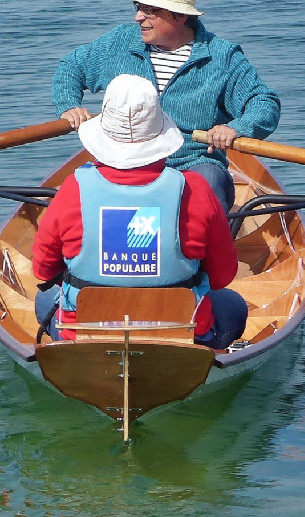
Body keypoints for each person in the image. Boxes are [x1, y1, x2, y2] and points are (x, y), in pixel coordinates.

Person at [33, 74, 248, 349]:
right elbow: (222, 276)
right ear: (161, 136)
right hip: (183, 334)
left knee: (43, 298)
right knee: (233, 306)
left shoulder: (73, 188)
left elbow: (42, 268)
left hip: (85, 334)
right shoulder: (196, 189)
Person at [52, 0, 280, 212]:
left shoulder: (222, 57)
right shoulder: (120, 42)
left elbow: (264, 103)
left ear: (180, 15)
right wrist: (69, 106)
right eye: (138, 7)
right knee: (74, 199)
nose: (138, 17)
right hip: (123, 161)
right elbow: (71, 67)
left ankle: (207, 248)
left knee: (209, 188)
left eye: (149, 10)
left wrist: (236, 128)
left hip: (191, 163)